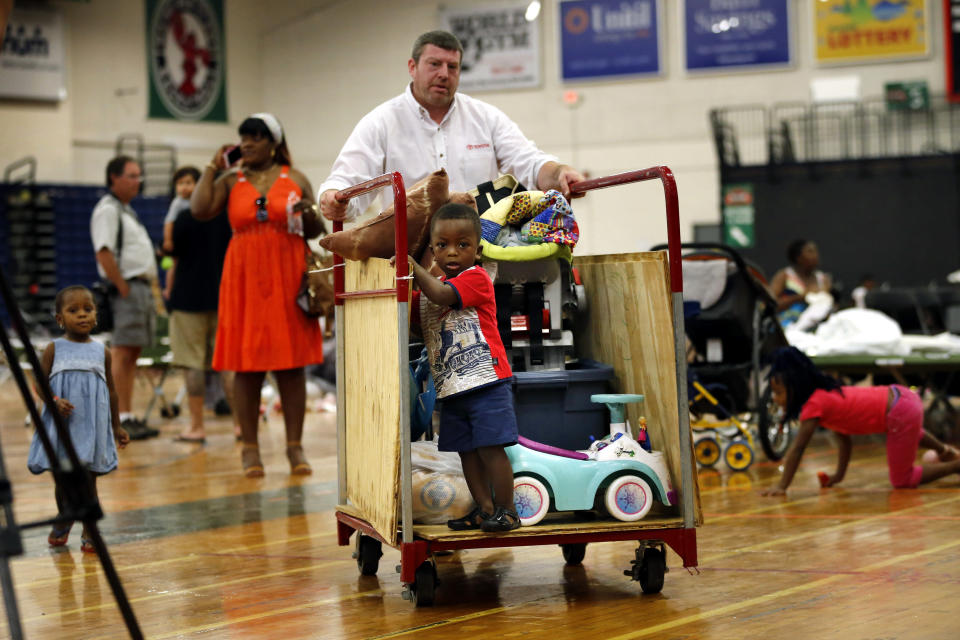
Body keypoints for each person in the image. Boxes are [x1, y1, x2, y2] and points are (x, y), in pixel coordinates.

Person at [318, 30, 584, 222]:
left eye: (452, 67)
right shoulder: (381, 122)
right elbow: (347, 182)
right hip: (408, 265)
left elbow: (529, 162)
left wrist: (559, 172)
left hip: (481, 257)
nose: (444, 74)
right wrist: (334, 199)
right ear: (412, 67)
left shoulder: (485, 117)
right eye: (434, 64)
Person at [190, 113, 325, 477]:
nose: (247, 143)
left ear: (273, 143)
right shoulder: (230, 179)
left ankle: (295, 447)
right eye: (243, 137)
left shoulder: (295, 178)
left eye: (255, 137)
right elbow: (199, 208)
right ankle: (250, 449)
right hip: (245, 279)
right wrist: (210, 167)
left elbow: (316, 227)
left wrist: (307, 212)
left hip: (287, 274)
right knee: (247, 369)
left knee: (292, 367)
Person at [393, 203, 520, 532]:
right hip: (453, 388)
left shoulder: (475, 279)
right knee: (465, 451)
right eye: (442, 245)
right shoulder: (431, 288)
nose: (452, 252)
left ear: (476, 250)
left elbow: (441, 295)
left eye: (462, 245)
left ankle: (508, 510)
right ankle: (484, 508)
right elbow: (424, 325)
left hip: (487, 384)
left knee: (490, 449)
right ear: (433, 250)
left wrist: (413, 270)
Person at [760, 347, 960, 496]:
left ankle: (955, 466)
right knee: (907, 430)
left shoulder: (814, 405)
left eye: (779, 392)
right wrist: (839, 475)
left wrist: (781, 486)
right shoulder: (825, 397)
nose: (776, 398)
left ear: (796, 387)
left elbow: (798, 448)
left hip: (899, 410)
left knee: (902, 480)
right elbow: (844, 441)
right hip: (902, 396)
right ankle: (945, 452)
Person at [28, 286, 130, 552]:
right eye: (73, 311)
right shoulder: (53, 349)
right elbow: (39, 380)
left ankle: (89, 530)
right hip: (63, 428)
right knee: (63, 480)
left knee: (88, 480)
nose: (82, 315)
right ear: (59, 318)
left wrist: (116, 425)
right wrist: (52, 399)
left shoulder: (102, 352)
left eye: (88, 309)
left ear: (96, 315)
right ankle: (65, 518)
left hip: (91, 428)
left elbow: (111, 391)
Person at [165, 165, 240, 443]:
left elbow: (168, 251)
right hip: (222, 297)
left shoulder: (182, 218)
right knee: (228, 365)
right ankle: (239, 426)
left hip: (187, 299)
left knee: (192, 364)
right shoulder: (226, 217)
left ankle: (197, 426)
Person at [90, 156, 160, 440]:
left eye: (139, 176)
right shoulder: (108, 210)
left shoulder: (127, 211)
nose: (137, 181)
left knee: (132, 353)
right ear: (113, 179)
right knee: (122, 353)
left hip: (138, 287)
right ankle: (118, 417)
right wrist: (122, 287)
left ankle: (128, 415)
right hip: (126, 288)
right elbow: (103, 252)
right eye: (131, 175)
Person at [770, 239, 833, 327]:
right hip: (787, 325)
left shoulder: (823, 279)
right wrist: (800, 297)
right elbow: (771, 305)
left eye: (815, 251)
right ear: (798, 257)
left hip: (817, 327)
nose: (815, 255)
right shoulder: (784, 276)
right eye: (810, 252)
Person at [161, 166, 200, 301]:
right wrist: (168, 240)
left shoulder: (199, 200)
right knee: (173, 264)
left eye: (188, 183)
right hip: (178, 241)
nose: (184, 187)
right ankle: (169, 289)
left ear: (198, 185)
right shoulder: (177, 203)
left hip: (193, 243)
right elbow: (169, 222)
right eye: (180, 183)